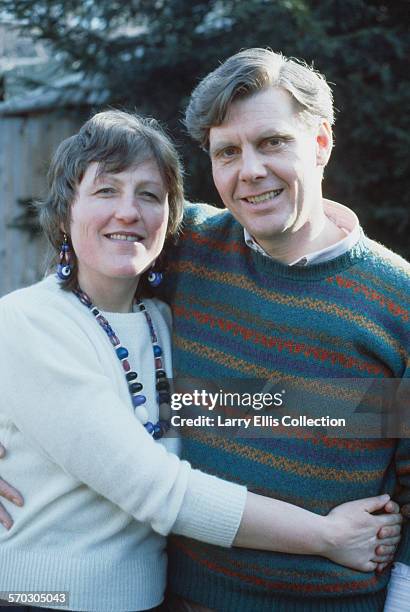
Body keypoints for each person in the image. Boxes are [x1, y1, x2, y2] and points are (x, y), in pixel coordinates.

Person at [0, 109, 401, 612]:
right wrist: (326, 536)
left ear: (172, 217)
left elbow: (262, 407)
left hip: (149, 601)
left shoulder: (163, 318)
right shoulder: (29, 322)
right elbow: (156, 488)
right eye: (105, 191)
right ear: (64, 213)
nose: (128, 211)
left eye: (149, 195)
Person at [147, 49, 409, 612]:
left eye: (272, 142)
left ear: (320, 143)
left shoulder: (398, 300)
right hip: (179, 598)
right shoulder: (182, 246)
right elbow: (70, 303)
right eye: (227, 153)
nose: (250, 172)